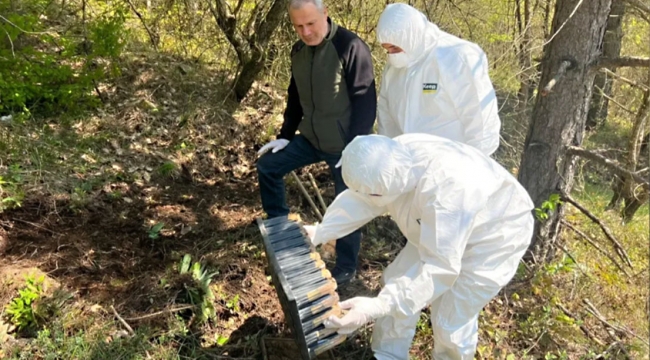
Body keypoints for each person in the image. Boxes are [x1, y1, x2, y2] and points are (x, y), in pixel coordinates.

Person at [303, 133, 534, 359]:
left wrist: (378, 306)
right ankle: (387, 355)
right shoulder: (387, 156)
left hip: (494, 236)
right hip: (436, 225)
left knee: (450, 319)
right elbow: (363, 197)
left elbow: (439, 269)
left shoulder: (447, 193)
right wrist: (322, 231)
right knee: (395, 281)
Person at [256, 0, 377, 286]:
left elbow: (365, 101)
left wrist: (355, 149)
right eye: (299, 26)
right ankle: (280, 230)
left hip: (345, 146)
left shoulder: (350, 47)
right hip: (310, 138)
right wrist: (285, 136)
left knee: (349, 205)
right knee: (268, 166)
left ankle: (346, 267)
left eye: (311, 24)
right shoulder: (298, 51)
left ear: (325, 14)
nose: (306, 32)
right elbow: (295, 97)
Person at [375, 3, 501, 156]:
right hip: (409, 165)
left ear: (410, 37)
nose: (391, 54)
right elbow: (386, 116)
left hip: (452, 165)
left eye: (394, 48)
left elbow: (481, 121)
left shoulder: (456, 57)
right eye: (386, 49)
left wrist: (473, 164)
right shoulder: (393, 68)